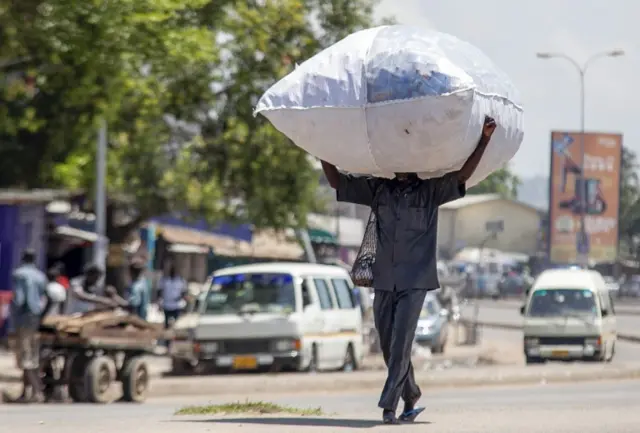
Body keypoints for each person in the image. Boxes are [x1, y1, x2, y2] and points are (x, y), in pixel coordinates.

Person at [321, 115, 496, 424]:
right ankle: (411, 392)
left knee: (401, 342)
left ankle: (389, 407)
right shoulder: (379, 190)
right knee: (389, 345)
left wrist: (483, 139)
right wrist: (321, 146)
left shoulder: (431, 192)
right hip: (384, 281)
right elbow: (338, 182)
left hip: (416, 280)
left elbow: (461, 176)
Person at [4, 250, 47, 403]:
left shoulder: (19, 274)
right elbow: (43, 297)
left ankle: (37, 392)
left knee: (25, 357)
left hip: (23, 318)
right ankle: (25, 392)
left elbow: (20, 298)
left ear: (23, 259)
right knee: (31, 354)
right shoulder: (40, 276)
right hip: (36, 318)